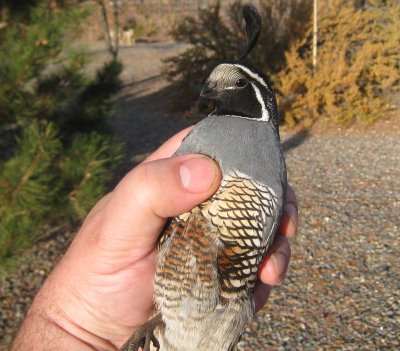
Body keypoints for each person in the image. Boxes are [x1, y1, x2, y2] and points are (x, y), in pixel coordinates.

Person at [11, 128, 298, 350]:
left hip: (220, 317)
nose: (212, 89)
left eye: (233, 85)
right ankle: (165, 319)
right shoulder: (200, 140)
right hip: (163, 309)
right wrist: (74, 328)